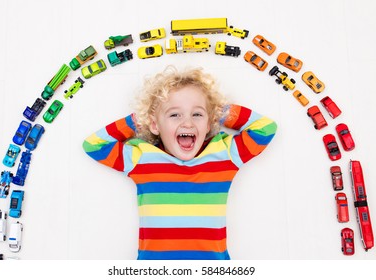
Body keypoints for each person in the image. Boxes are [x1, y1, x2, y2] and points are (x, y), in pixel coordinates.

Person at [83, 66, 277, 260]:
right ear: (155, 125)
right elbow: (94, 145)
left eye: (197, 114)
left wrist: (219, 111)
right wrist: (138, 121)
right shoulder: (142, 158)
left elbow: (266, 129)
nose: (187, 123)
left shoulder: (224, 155)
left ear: (209, 123)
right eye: (175, 114)